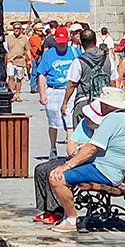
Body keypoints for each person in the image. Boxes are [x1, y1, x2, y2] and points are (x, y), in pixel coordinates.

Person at [47, 86, 125, 234]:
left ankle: (71, 219)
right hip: (111, 168)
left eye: (102, 102)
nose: (100, 105)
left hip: (105, 171)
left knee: (56, 178)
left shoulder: (112, 119)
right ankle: (67, 215)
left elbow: (92, 148)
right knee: (58, 172)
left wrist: (68, 165)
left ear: (108, 105)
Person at [35, 26, 80, 159]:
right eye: (60, 43)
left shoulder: (75, 52)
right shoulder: (49, 54)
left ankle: (70, 150)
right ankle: (53, 147)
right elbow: (41, 75)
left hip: (70, 90)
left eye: (64, 43)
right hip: (54, 90)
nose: (62, 45)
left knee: (70, 122)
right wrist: (42, 94)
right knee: (53, 122)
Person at [61, 28, 113, 135]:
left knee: (81, 137)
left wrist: (65, 103)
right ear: (95, 40)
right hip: (103, 102)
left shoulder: (79, 62)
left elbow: (72, 84)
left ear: (81, 42)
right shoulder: (108, 59)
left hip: (84, 102)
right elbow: (113, 82)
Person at [7, 23, 28, 103]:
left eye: (18, 28)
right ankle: (12, 93)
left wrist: (29, 60)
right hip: (10, 60)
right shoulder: (9, 38)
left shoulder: (24, 38)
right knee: (11, 77)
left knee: (19, 79)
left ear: (21, 29)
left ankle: (18, 94)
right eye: (15, 28)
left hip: (20, 61)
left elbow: (27, 49)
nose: (16, 29)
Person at [27, 23, 46, 94]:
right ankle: (33, 87)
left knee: (40, 73)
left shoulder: (42, 38)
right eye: (39, 30)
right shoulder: (32, 38)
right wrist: (29, 58)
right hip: (34, 57)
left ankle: (38, 87)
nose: (41, 32)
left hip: (41, 56)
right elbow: (29, 48)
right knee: (34, 73)